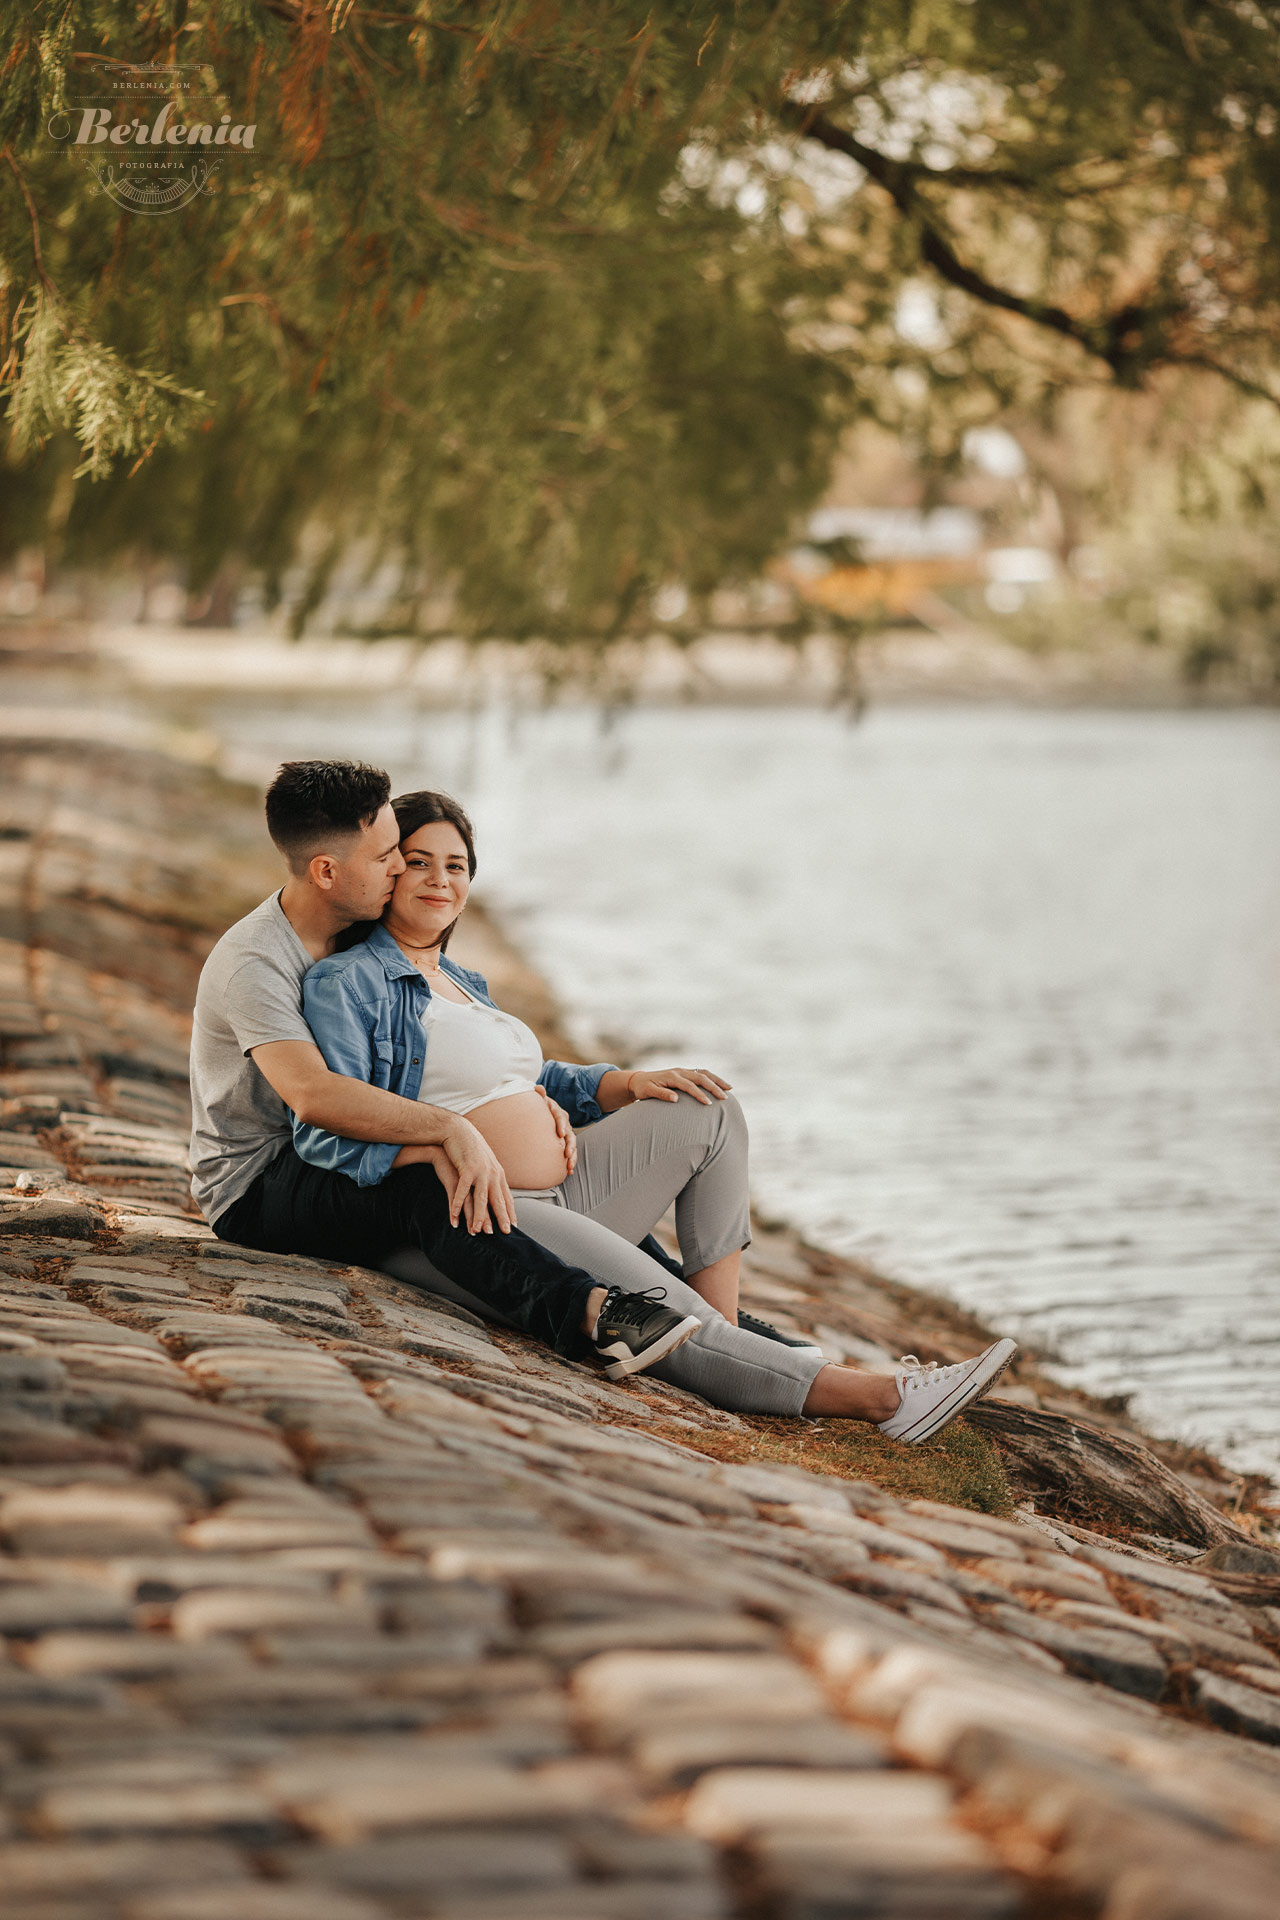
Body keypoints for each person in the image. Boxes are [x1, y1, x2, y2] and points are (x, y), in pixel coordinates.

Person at [292, 786, 1016, 1439]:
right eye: (419, 861)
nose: (440, 879)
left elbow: (523, 1075)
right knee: (660, 1312)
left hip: (567, 1191)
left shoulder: (461, 979)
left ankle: (737, 1343)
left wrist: (625, 1084)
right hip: (483, 1217)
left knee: (707, 1107)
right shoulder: (346, 983)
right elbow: (336, 1121)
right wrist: (453, 1146)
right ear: (387, 874)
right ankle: (883, 1401)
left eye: (456, 866)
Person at [188, 759, 704, 1379]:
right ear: (326, 871)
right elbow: (313, 1095)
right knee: (434, 1182)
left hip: (332, 1146)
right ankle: (589, 1316)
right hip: (263, 1177)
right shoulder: (257, 960)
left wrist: (549, 1098)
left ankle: (731, 1327)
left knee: (605, 1231)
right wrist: (452, 1131)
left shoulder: (354, 938)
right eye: (387, 858)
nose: (401, 869)